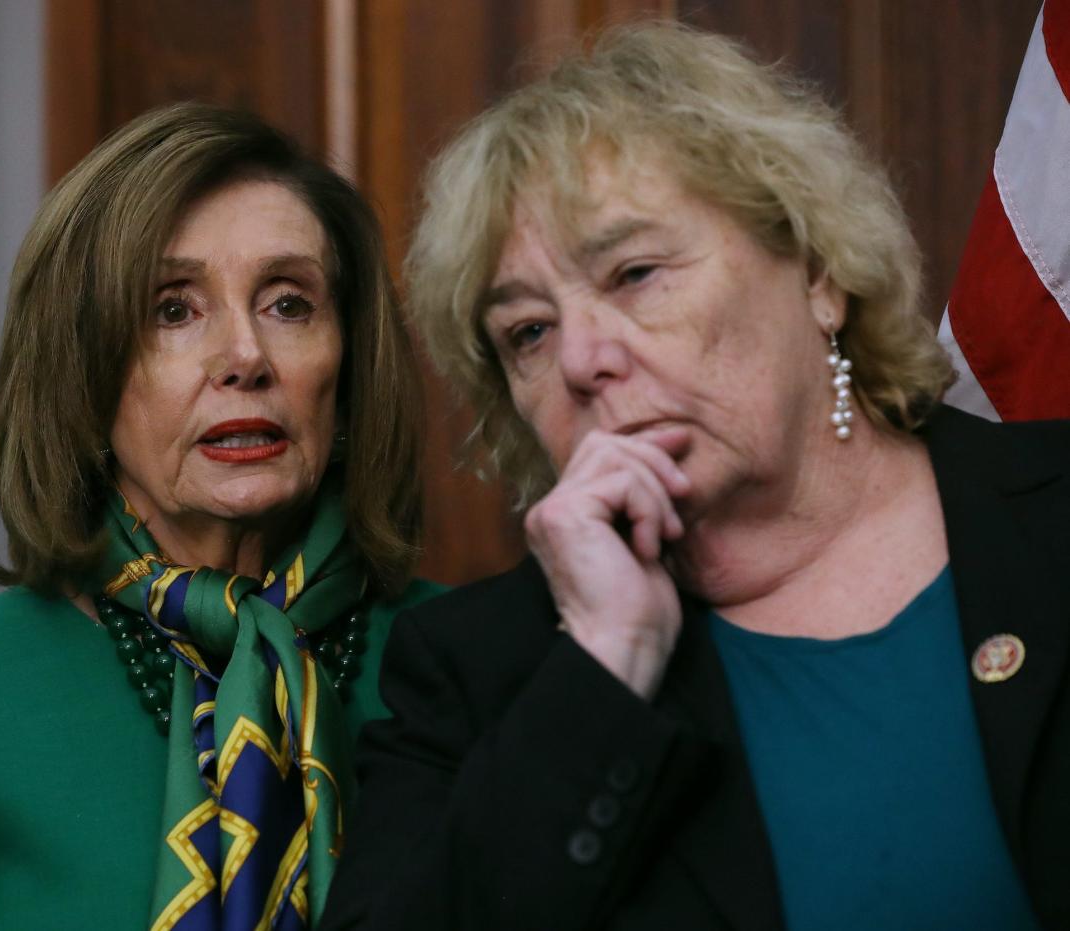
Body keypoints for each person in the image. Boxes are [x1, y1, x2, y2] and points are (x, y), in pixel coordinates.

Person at [320, 23, 1070, 931]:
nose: (582, 360)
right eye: (527, 331)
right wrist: (605, 662)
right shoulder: (484, 671)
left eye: (634, 274)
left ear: (819, 273)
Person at [0, 103, 441, 929]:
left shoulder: (465, 664)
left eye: (288, 303)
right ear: (82, 374)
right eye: (173, 309)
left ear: (352, 362)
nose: (246, 357)